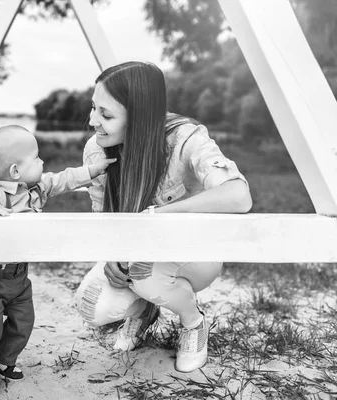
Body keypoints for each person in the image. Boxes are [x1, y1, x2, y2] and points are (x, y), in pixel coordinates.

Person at [74, 61, 252, 373]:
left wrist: (160, 215)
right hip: (135, 254)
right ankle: (144, 311)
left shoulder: (186, 139)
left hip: (194, 254)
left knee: (145, 274)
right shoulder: (96, 150)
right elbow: (103, 219)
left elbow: (239, 196)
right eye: (94, 108)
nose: (93, 121)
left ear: (139, 116)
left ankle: (193, 322)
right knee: (92, 305)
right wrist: (111, 254)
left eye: (106, 114)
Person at [0, 125, 115, 397]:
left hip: (18, 276)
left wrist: (93, 170)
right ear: (15, 171)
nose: (42, 162)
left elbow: (65, 179)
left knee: (23, 321)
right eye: (37, 158)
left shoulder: (36, 187)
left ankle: (5, 361)